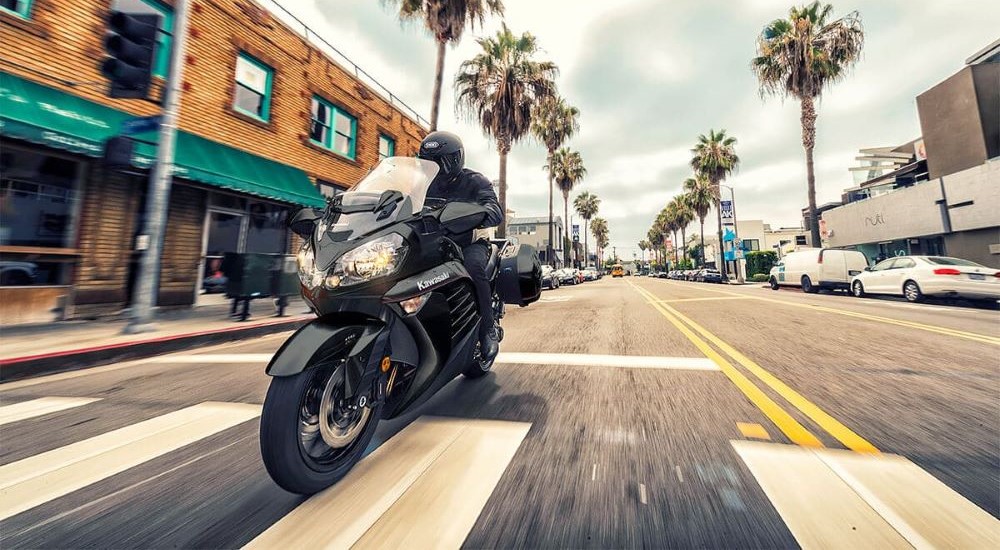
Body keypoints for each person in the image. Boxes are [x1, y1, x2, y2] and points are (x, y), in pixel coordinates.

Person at [417, 131, 504, 360]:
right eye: (429, 161)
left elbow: (495, 210)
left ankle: (488, 329)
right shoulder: (420, 184)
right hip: (433, 244)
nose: (434, 167)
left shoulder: (474, 180)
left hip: (471, 242)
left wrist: (482, 212)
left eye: (440, 161)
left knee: (473, 267)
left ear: (455, 159)